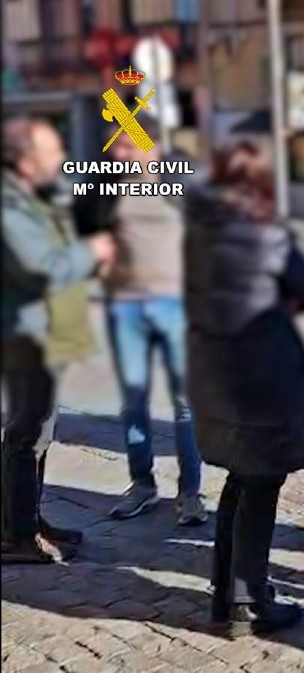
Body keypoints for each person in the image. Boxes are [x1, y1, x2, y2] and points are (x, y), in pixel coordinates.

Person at [185, 142, 304, 636]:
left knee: (238, 477)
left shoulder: (197, 235)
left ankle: (225, 595)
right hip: (262, 377)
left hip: (213, 372)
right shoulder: (268, 235)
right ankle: (249, 602)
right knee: (262, 483)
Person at [1, 117, 117, 564]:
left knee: (41, 430)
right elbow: (41, 267)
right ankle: (17, 535)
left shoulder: (37, 196)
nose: (61, 160)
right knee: (25, 432)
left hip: (48, 328)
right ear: (27, 161)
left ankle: (27, 517)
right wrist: (93, 252)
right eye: (52, 153)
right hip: (26, 332)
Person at [92, 117, 205, 525]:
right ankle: (143, 485)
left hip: (176, 305)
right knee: (133, 401)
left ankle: (190, 492)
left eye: (125, 146)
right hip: (125, 308)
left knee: (185, 404)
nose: (117, 155)